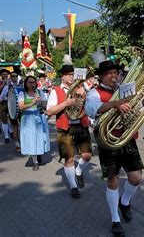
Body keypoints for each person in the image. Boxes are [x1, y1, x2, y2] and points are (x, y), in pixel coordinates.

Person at [85, 57, 144, 236]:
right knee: (113, 180)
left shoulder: (125, 90)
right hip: (107, 140)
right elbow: (92, 109)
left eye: (115, 73)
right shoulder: (94, 93)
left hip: (127, 138)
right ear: (102, 76)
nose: (114, 76)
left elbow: (137, 109)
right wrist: (115, 103)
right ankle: (115, 220)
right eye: (109, 73)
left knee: (136, 178)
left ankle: (125, 202)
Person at [46, 63, 93, 198]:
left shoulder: (81, 88)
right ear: (63, 77)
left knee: (87, 156)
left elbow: (90, 107)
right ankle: (73, 186)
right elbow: (49, 111)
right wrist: (65, 104)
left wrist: (84, 96)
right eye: (69, 75)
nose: (72, 77)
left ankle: (78, 171)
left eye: (73, 75)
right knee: (69, 159)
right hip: (65, 128)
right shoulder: (56, 91)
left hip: (81, 125)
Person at [18, 75, 50, 171]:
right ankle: (35, 162)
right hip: (28, 118)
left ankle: (39, 153)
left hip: (39, 116)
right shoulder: (22, 94)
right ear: (26, 83)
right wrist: (33, 102)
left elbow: (46, 104)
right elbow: (21, 107)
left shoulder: (39, 91)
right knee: (31, 139)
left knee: (41, 137)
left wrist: (42, 103)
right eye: (30, 82)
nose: (32, 84)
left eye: (33, 82)